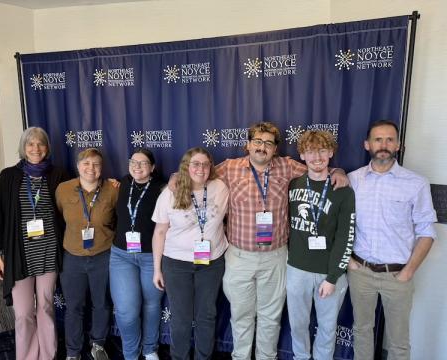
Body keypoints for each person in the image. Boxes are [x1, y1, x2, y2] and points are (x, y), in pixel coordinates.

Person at [217, 121, 349, 360]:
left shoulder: (287, 167)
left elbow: (317, 170)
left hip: (275, 257)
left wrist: (338, 172)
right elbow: (198, 176)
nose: (262, 147)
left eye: (268, 143)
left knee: (270, 317)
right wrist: (176, 177)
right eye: (257, 141)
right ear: (248, 145)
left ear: (275, 149)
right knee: (241, 315)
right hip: (239, 257)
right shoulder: (229, 168)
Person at [347, 120, 437, 360]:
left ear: (398, 145)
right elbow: (340, 224)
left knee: (398, 342)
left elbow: (427, 232)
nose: (383, 145)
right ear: (367, 145)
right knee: (362, 331)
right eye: (378, 139)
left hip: (397, 275)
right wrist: (349, 262)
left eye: (389, 139)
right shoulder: (353, 180)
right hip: (360, 272)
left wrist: (408, 272)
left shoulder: (416, 183)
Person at [0, 127, 70, 360]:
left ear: (47, 148)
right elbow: (1, 218)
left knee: (45, 308)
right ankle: (27, 356)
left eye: (41, 144)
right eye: (31, 144)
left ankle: (48, 355)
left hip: (48, 251)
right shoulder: (9, 176)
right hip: (19, 253)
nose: (36, 149)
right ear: (23, 148)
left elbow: (77, 200)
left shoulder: (58, 175)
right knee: (24, 312)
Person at [152, 147, 229, 360]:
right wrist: (157, 269)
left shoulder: (220, 187)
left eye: (205, 164)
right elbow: (159, 232)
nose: (200, 168)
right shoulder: (170, 192)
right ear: (186, 166)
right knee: (181, 318)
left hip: (211, 263)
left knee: (207, 315)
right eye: (195, 164)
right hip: (176, 264)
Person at [286, 130, 355, 359]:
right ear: (302, 156)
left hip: (329, 272)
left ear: (331, 152)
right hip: (296, 269)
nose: (317, 157)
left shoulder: (343, 190)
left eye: (322, 151)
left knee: (327, 329)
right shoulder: (293, 184)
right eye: (310, 151)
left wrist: (333, 276)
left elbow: (346, 236)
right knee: (298, 325)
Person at [56, 148, 118, 360]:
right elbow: (58, 219)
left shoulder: (113, 189)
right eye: (86, 163)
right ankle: (73, 351)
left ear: (102, 168)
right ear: (78, 166)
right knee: (74, 306)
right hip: (72, 257)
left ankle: (98, 344)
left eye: (96, 164)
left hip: (103, 255)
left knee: (101, 303)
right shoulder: (63, 189)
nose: (91, 168)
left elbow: (120, 220)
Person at [110, 149, 164, 360]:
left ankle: (150, 349)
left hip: (152, 257)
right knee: (126, 310)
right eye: (133, 161)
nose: (137, 166)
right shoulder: (122, 184)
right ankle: (131, 354)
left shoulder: (163, 188)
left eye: (143, 163)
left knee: (152, 305)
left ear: (152, 167)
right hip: (122, 256)